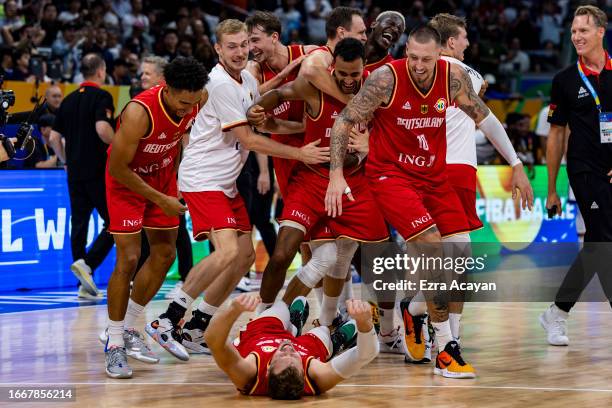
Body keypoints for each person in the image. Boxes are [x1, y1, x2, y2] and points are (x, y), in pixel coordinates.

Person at [325, 25, 532, 378]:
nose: (419, 65)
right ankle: (446, 347)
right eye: (414, 58)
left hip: (434, 178)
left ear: (440, 55)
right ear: (407, 52)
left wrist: (516, 164)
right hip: (391, 176)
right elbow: (345, 120)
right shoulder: (387, 80)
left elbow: (485, 118)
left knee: (461, 257)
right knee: (432, 246)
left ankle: (415, 307)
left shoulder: (452, 78)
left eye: (426, 59)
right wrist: (336, 174)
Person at [145, 19, 329, 359]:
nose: (240, 51)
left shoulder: (244, 76)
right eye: (232, 46)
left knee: (244, 256)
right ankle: (167, 320)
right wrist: (300, 152)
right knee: (228, 253)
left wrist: (290, 67)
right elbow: (248, 138)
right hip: (203, 179)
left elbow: (256, 94)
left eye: (244, 44)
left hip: (224, 182)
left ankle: (198, 325)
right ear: (218, 49)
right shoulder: (218, 84)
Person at [393, 13, 533, 364]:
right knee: (450, 257)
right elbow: (483, 103)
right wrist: (515, 163)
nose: (469, 45)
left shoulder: (409, 74)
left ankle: (431, 329)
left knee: (437, 259)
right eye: (465, 39)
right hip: (442, 171)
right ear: (450, 43)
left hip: (440, 170)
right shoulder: (462, 73)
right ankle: (432, 329)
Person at [102, 56, 208, 379]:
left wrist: (174, 179)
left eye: (192, 103)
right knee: (129, 257)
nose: (186, 109)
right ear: (167, 88)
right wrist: (160, 198)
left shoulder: (197, 99)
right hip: (126, 182)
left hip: (162, 177)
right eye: (182, 102)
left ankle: (131, 327)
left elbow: (177, 144)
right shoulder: (139, 112)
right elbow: (117, 168)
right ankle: (114, 342)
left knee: (165, 254)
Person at [540, 5, 612, 346]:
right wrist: (552, 188)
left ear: (601, 31)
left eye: (583, 30)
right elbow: (556, 135)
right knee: (604, 240)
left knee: (597, 245)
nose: (576, 37)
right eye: (573, 31)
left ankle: (557, 312)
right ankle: (557, 313)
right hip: (584, 170)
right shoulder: (565, 80)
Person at [244, 11, 316, 292]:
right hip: (286, 157)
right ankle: (314, 303)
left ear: (274, 37)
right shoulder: (256, 69)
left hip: (318, 149)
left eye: (255, 40)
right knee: (304, 237)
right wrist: (288, 73)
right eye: (249, 42)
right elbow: (249, 99)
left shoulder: (308, 53)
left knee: (329, 235)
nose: (251, 48)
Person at [205, 293, 379, 399]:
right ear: (304, 373)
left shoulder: (248, 375)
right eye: (293, 357)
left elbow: (213, 339)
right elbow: (365, 355)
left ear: (266, 370)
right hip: (306, 348)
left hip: (262, 334)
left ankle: (294, 326)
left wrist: (233, 310)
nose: (287, 348)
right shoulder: (317, 376)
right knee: (324, 330)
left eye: (281, 355)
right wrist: (365, 324)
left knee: (282, 306)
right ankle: (337, 341)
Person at [49, 53, 116, 300]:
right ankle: (88, 264)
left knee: (79, 223)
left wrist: (65, 160)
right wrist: (120, 147)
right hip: (98, 171)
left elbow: (54, 138)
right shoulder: (102, 96)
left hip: (74, 171)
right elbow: (102, 128)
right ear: (100, 71)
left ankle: (83, 282)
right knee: (115, 223)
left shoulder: (66, 101)